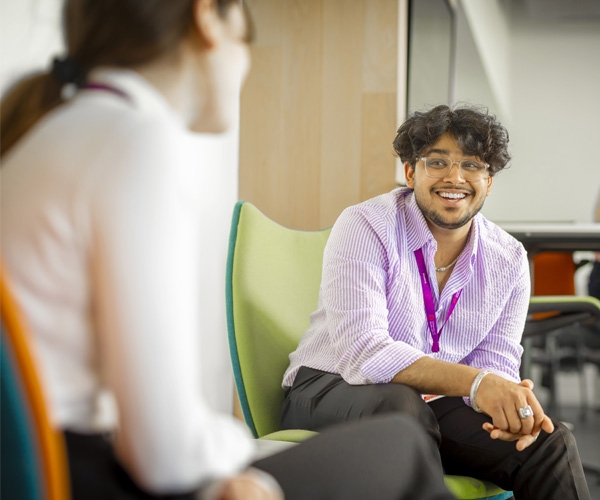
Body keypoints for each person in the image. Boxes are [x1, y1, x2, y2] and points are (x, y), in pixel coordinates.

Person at [0, 1, 457, 499]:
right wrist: (239, 453)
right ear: (207, 19)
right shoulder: (135, 142)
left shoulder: (52, 134)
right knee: (400, 446)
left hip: (50, 467)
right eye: (247, 42)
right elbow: (164, 454)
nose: (245, 66)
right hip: (82, 477)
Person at [281, 104, 592, 500]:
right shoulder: (365, 225)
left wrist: (507, 407)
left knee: (548, 442)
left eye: (472, 165)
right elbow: (363, 353)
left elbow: (494, 362)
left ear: (489, 181)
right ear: (411, 172)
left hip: (430, 406)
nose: (455, 178)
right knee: (402, 408)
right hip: (327, 387)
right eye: (438, 162)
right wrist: (479, 383)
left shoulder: (509, 259)